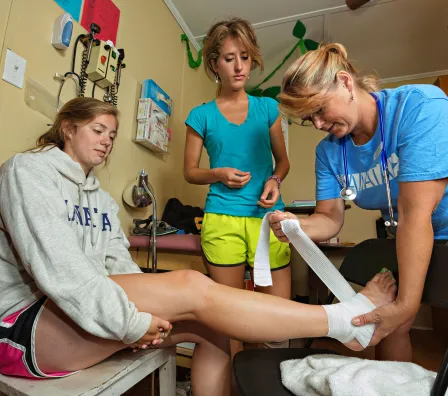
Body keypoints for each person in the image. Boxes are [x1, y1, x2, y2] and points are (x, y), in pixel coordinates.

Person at [0, 97, 397, 396]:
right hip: (22, 327)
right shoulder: (30, 171)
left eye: (112, 135)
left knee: (214, 326)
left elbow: (118, 268)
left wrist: (143, 310)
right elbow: (61, 272)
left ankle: (345, 321)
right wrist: (133, 322)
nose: (107, 142)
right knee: (190, 284)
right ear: (67, 128)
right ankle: (347, 321)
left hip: (77, 313)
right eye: (97, 130)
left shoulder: (99, 199)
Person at [270, 42, 448, 362]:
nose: (319, 125)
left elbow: (413, 213)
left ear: (346, 83)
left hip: (423, 225)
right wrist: (297, 226)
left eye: (320, 110)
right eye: (309, 118)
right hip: (411, 235)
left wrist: (405, 305)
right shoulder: (329, 151)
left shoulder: (420, 107)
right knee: (392, 327)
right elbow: (329, 219)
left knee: (403, 314)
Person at [183, 17, 291, 352]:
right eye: (230, 59)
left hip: (268, 218)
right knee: (229, 319)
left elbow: (283, 162)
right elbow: (190, 171)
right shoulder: (201, 115)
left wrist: (274, 179)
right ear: (215, 63)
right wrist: (217, 174)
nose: (239, 67)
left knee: (276, 321)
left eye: (244, 57)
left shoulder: (267, 108)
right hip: (222, 218)